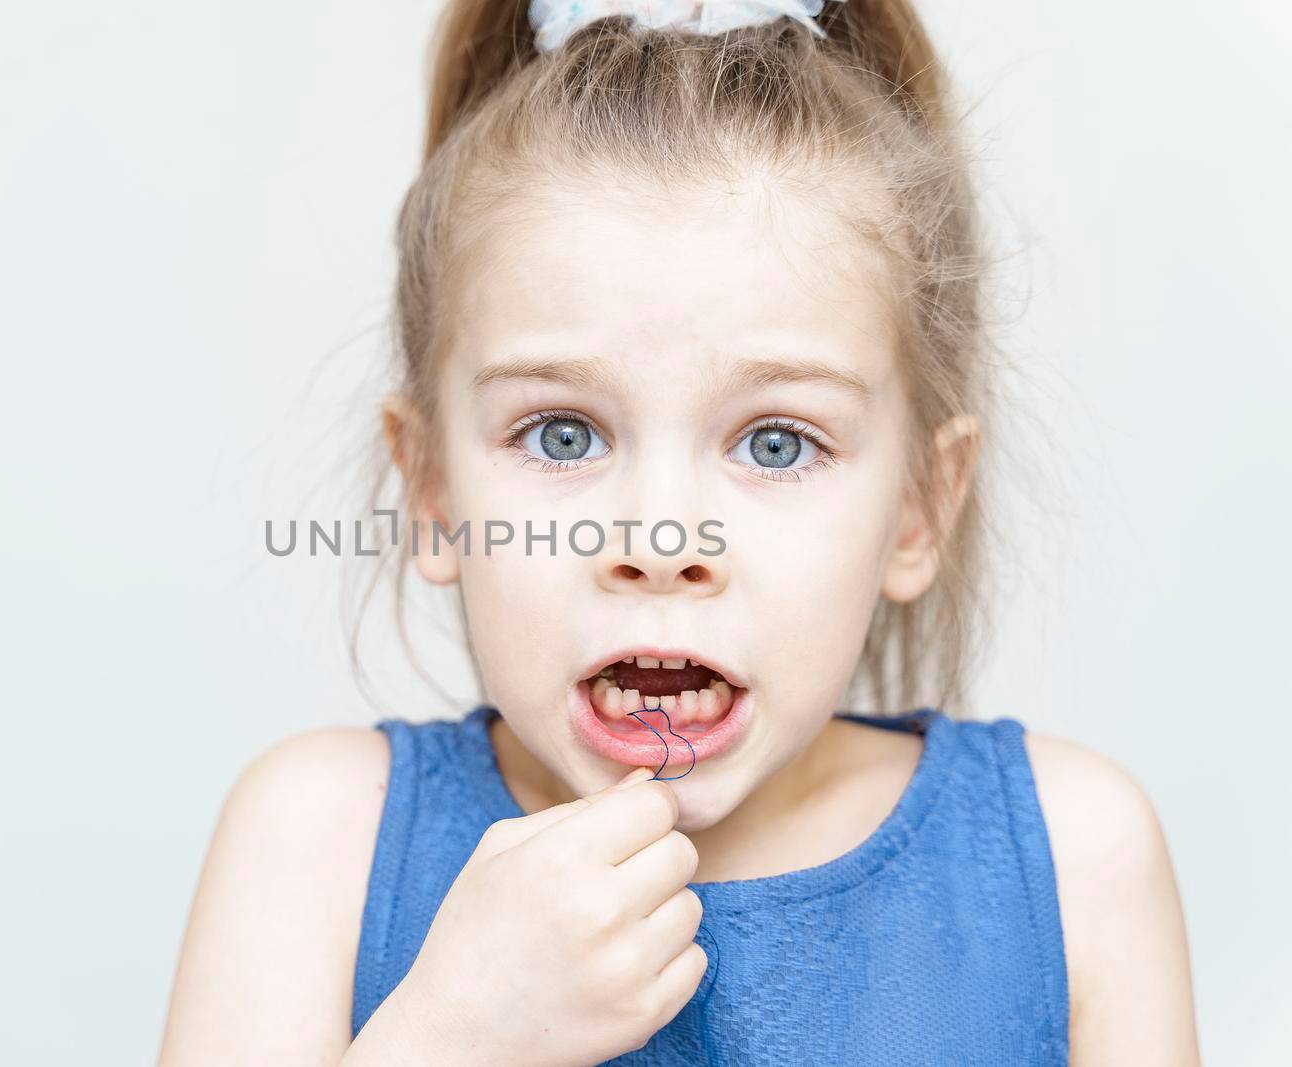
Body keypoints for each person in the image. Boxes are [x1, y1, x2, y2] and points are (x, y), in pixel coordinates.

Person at [158, 1, 1199, 1063]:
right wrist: (452, 1038)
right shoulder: (316, 841)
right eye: (562, 434)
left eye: (778, 443)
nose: (660, 539)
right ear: (431, 490)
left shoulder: (1074, 860)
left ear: (919, 507)